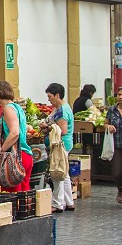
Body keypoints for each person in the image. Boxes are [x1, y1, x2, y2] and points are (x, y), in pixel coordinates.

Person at [0, 81, 32, 189]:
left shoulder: (8, 108)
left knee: (11, 198)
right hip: (24, 155)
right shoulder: (17, 108)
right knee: (23, 195)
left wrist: (1, 150)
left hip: (15, 157)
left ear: (1, 92)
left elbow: (14, 133)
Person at [46, 83, 75, 212]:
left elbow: (62, 130)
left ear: (57, 95)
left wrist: (48, 127)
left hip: (60, 144)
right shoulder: (63, 107)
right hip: (65, 144)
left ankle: (58, 204)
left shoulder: (62, 111)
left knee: (57, 172)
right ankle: (69, 202)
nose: (49, 99)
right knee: (65, 173)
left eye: (50, 96)